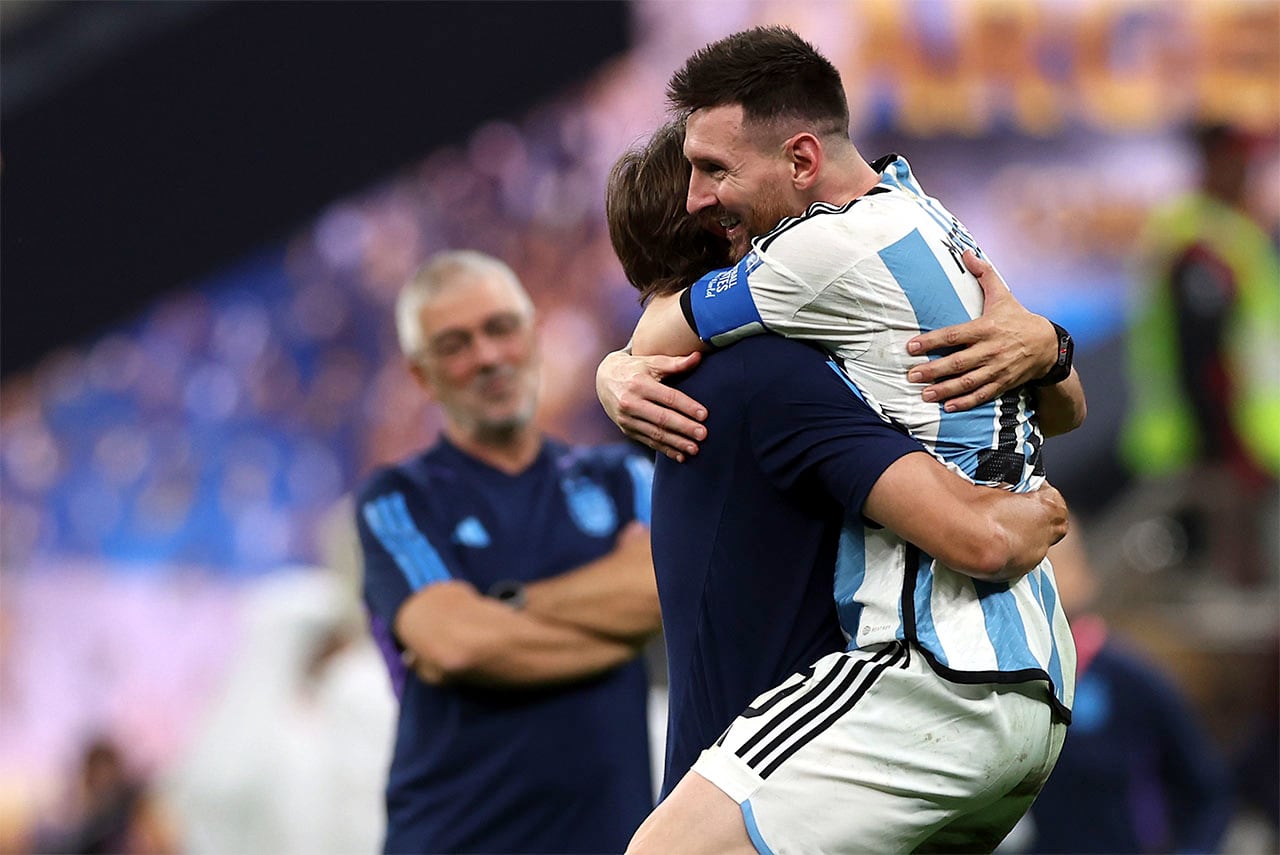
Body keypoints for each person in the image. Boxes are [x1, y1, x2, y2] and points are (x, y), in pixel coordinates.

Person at [596, 28, 1081, 853]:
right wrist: (1054, 347)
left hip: (935, 671)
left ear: (801, 159)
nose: (698, 197)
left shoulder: (803, 278)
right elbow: (1061, 404)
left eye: (715, 171)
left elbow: (659, 332)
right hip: (1031, 678)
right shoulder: (923, 213)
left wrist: (615, 372)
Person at [355, 250, 662, 854]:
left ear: (532, 335)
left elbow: (664, 590)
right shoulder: (398, 499)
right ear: (422, 376)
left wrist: (505, 606)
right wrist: (618, 633)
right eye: (455, 344)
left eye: (500, 329)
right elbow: (458, 642)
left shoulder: (622, 475)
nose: (488, 358)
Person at [1120, 122, 1280, 586]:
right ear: (1214, 160)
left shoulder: (1229, 229)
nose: (1248, 173)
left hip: (1233, 441)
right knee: (1216, 593)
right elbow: (1200, 355)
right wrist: (1222, 446)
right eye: (1240, 160)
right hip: (1212, 443)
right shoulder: (1200, 240)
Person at [1024, 519, 1233, 854]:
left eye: (1059, 562)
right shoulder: (1003, 684)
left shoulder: (1133, 681)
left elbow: (1206, 791)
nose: (1047, 579)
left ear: (1087, 576)